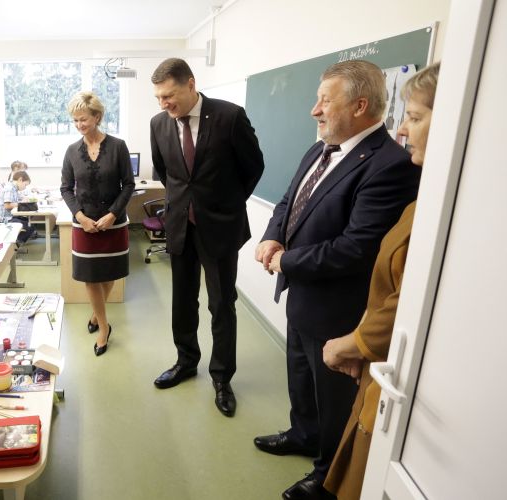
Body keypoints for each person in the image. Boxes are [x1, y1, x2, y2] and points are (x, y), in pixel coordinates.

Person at [253, 60, 422, 500]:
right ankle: (302, 434)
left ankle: (327, 475)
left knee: (333, 400)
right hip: (302, 297)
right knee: (300, 379)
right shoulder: (320, 150)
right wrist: (272, 237)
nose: (315, 110)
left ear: (360, 106)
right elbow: (288, 202)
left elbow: (356, 248)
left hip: (338, 311)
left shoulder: (391, 165)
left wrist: (286, 261)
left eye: (325, 101)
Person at [322, 63, 439, 500]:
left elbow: (406, 288)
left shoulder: (391, 166)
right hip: (374, 353)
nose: (403, 129)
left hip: (391, 366)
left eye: (415, 117)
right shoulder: (424, 200)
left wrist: (357, 341)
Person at [149, 58, 264, 417]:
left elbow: (253, 167)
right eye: (159, 98)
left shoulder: (229, 116)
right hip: (180, 226)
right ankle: (186, 362)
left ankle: (222, 378)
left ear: (191, 84)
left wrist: (224, 204)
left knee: (221, 304)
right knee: (183, 301)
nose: (164, 104)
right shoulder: (159, 124)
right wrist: (185, 205)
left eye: (169, 95)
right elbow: (167, 173)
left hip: (220, 227)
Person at [60, 91, 135, 356]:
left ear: (97, 117)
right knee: (91, 277)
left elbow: (129, 185)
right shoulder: (71, 151)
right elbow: (66, 188)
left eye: (84, 119)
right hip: (84, 225)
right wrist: (80, 216)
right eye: (75, 120)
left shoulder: (118, 146)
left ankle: (95, 314)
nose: (79, 124)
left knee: (110, 273)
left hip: (113, 223)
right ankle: (104, 327)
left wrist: (113, 214)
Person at [0, 170, 36, 244]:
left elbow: (14, 200)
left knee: (31, 223)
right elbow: (7, 205)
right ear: (20, 180)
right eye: (25, 185)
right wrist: (21, 204)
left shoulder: (14, 188)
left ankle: (18, 241)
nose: (25, 187)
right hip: (7, 218)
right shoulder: (9, 189)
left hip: (12, 215)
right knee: (29, 226)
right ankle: (15, 243)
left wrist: (23, 200)